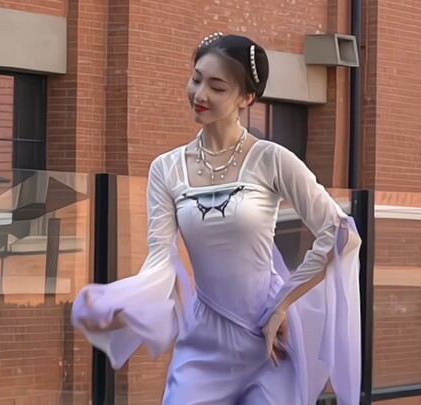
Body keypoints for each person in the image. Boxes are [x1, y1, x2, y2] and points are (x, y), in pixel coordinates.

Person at [71, 32, 363, 405]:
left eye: (217, 87)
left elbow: (340, 233)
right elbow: (161, 261)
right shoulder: (166, 168)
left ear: (246, 98)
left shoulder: (271, 159)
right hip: (202, 344)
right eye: (196, 79)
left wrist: (283, 304)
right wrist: (121, 302)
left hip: (267, 338)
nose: (200, 94)